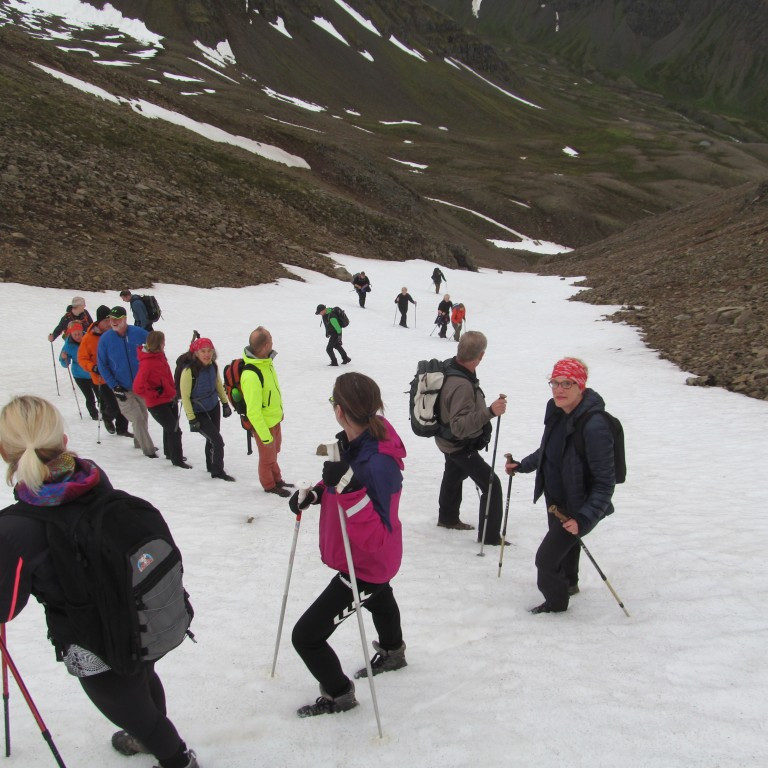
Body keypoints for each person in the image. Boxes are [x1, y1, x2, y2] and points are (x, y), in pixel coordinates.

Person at [0, 395, 200, 768]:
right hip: (135, 612)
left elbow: (6, 607)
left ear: (4, 451)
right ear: (61, 439)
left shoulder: (14, 527)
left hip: (93, 640)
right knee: (141, 678)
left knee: (133, 710)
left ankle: (177, 759)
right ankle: (151, 739)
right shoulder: (88, 474)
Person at [290, 372, 407, 717]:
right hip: (370, 564)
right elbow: (344, 483)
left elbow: (375, 536)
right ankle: (392, 651)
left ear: (339, 410)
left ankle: (339, 694)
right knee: (381, 600)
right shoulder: (360, 442)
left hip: (365, 566)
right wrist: (316, 492)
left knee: (307, 637)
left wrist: (348, 485)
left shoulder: (378, 462)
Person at [505, 358, 616, 614]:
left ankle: (556, 604)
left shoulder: (595, 425)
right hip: (556, 498)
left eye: (567, 383)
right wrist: (523, 465)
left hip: (579, 505)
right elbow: (549, 450)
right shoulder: (557, 411)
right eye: (554, 383)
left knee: (545, 560)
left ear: (581, 386)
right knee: (566, 548)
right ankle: (570, 584)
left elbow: (604, 482)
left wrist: (584, 518)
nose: (559, 389)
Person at [435, 331, 506, 544]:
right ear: (481, 356)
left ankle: (447, 517)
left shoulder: (451, 368)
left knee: (454, 473)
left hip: (447, 441)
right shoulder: (461, 385)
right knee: (492, 485)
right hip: (458, 444)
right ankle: (490, 536)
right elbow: (459, 427)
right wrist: (490, 411)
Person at [97, 306, 156, 458]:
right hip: (121, 387)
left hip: (141, 385)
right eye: (111, 319)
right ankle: (148, 451)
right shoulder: (105, 339)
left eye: (117, 319)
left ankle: (139, 442)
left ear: (125, 319)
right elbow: (102, 365)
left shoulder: (139, 333)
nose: (114, 322)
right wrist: (114, 385)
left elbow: (155, 348)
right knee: (136, 417)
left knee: (143, 415)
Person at [242, 327, 292, 497]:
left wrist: (279, 413)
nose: (273, 341)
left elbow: (271, 393)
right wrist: (264, 435)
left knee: (273, 454)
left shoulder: (266, 363)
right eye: (270, 339)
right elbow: (253, 411)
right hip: (264, 425)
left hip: (274, 420)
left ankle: (277, 479)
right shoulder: (251, 374)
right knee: (267, 458)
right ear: (265, 345)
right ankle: (269, 485)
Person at [178, 337, 234, 481]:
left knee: (212, 439)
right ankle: (218, 472)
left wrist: (225, 403)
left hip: (213, 407)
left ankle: (211, 465)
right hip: (198, 411)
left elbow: (218, 384)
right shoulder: (189, 372)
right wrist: (191, 419)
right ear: (196, 353)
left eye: (209, 351)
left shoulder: (213, 365)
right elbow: (185, 397)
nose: (206, 354)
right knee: (217, 441)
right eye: (203, 351)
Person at [134, 331, 190, 469]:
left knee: (169, 429)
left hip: (169, 398)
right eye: (163, 342)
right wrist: (154, 393)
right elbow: (138, 387)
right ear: (158, 343)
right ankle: (177, 460)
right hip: (157, 403)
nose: (165, 344)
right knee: (174, 430)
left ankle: (170, 453)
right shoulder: (147, 363)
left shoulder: (159, 356)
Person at [78, 305, 130, 437]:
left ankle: (122, 429)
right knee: (112, 404)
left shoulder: (116, 333)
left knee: (123, 401)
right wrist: (93, 367)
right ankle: (107, 417)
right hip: (101, 377)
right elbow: (82, 358)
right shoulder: (88, 338)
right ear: (99, 322)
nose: (109, 323)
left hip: (118, 374)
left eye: (110, 320)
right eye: (106, 321)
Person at [59, 321, 99, 420]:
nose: (78, 336)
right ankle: (94, 415)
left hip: (93, 372)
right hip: (79, 375)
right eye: (75, 334)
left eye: (79, 333)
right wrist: (64, 357)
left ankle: (106, 413)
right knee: (89, 397)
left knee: (101, 395)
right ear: (70, 333)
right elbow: (65, 364)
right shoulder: (68, 345)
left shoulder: (89, 339)